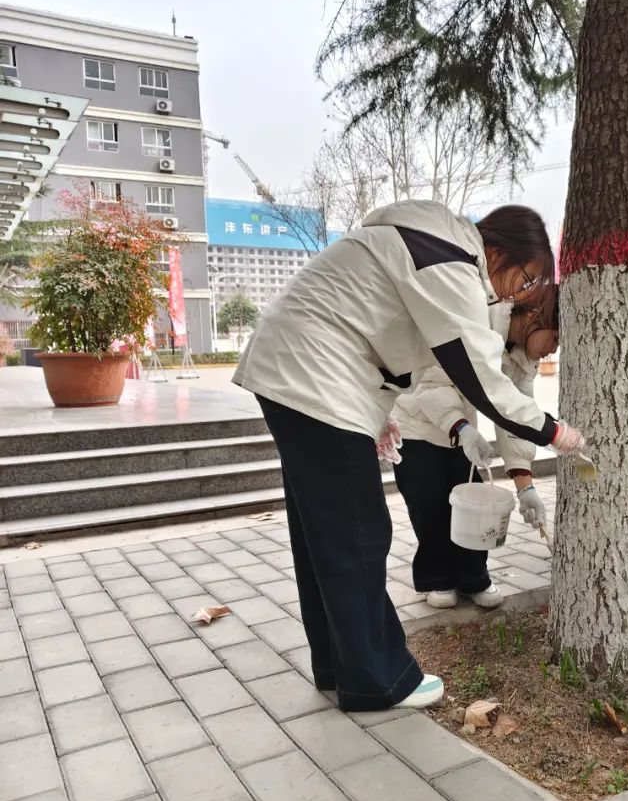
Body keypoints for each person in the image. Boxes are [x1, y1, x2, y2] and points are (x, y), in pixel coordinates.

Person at [232, 201, 585, 712]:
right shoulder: (450, 261)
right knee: (358, 531)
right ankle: (379, 679)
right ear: (499, 250)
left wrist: (379, 416)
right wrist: (555, 432)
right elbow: (479, 377)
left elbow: (385, 336)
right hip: (315, 374)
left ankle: (339, 665)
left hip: (303, 368)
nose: (520, 292)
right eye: (527, 278)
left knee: (323, 535)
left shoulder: (435, 248)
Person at [387, 287, 561, 609]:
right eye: (554, 339)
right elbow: (431, 384)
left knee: (473, 503)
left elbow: (517, 415)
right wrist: (462, 427)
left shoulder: (522, 359)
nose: (552, 351)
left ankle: (473, 577)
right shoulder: (473, 319)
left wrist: (526, 486)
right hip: (416, 421)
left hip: (458, 428)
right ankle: (436, 578)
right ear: (535, 318)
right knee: (431, 503)